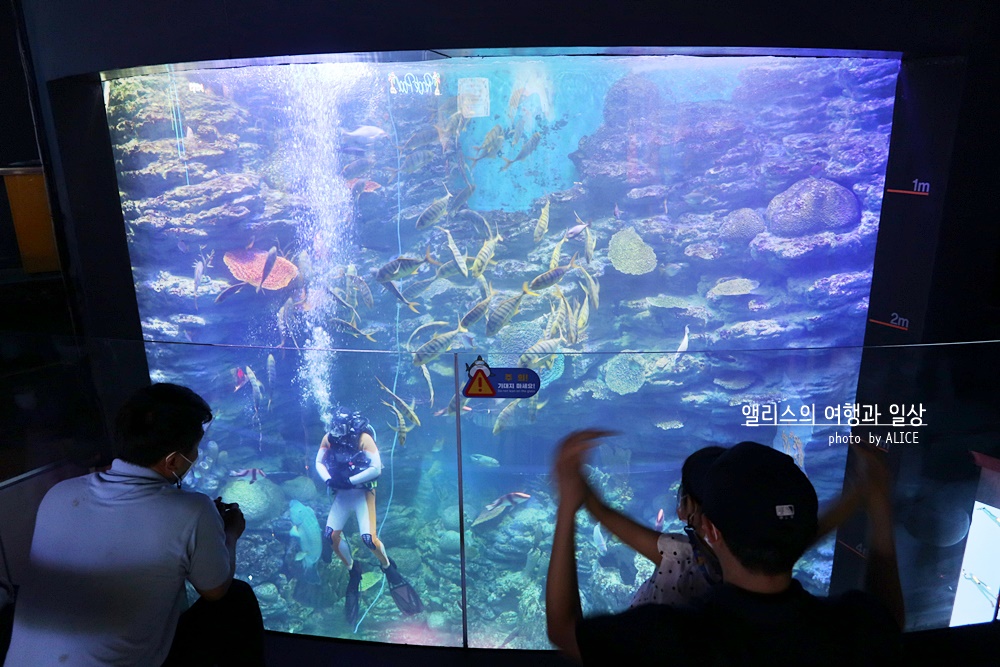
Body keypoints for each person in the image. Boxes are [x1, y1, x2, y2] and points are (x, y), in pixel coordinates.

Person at [547, 431, 903, 666]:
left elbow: (564, 629)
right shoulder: (849, 629)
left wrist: (568, 507)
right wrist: (870, 499)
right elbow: (887, 616)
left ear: (711, 531)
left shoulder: (668, 638)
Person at [4, 383, 265, 667]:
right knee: (236, 598)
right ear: (173, 461)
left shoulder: (60, 494)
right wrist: (229, 533)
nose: (196, 456)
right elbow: (215, 590)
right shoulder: (194, 509)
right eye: (195, 448)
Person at [585, 446, 863, 609]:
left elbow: (611, 519)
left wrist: (578, 486)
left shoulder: (678, 555)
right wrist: (859, 494)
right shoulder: (766, 554)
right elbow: (808, 532)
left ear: (689, 511)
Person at [315, 406, 422, 624]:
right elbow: (318, 462)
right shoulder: (329, 438)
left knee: (368, 539)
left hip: (362, 493)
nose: (336, 431)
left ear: (348, 426)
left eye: (339, 427)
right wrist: (329, 479)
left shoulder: (363, 438)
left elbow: (376, 468)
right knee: (330, 536)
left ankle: (387, 567)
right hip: (342, 494)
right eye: (333, 427)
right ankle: (353, 570)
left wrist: (350, 480)